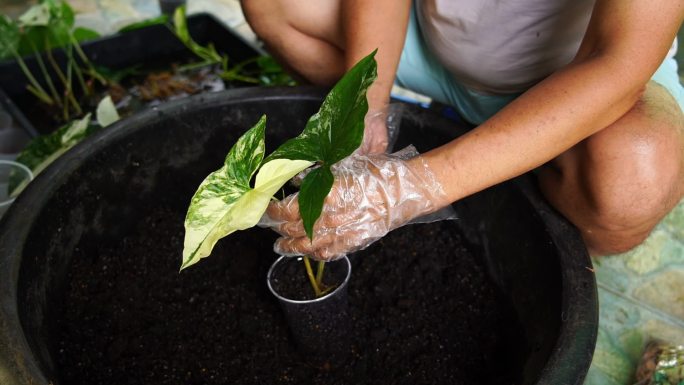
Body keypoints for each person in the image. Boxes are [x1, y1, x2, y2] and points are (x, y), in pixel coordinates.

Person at [241, 0, 684, 260]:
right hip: (433, 50)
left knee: (633, 183)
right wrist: (364, 106)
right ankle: (434, 125)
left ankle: (518, 167)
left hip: (564, 81)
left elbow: (616, 62)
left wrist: (409, 187)